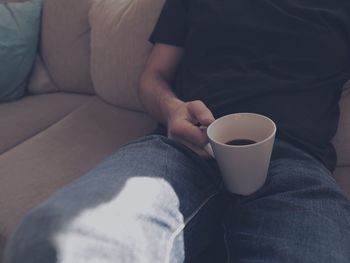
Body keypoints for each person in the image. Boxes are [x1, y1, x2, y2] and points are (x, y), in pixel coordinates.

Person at [4, 0, 350, 262]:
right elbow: (153, 77)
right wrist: (172, 110)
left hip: (294, 161)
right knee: (53, 240)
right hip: (184, 147)